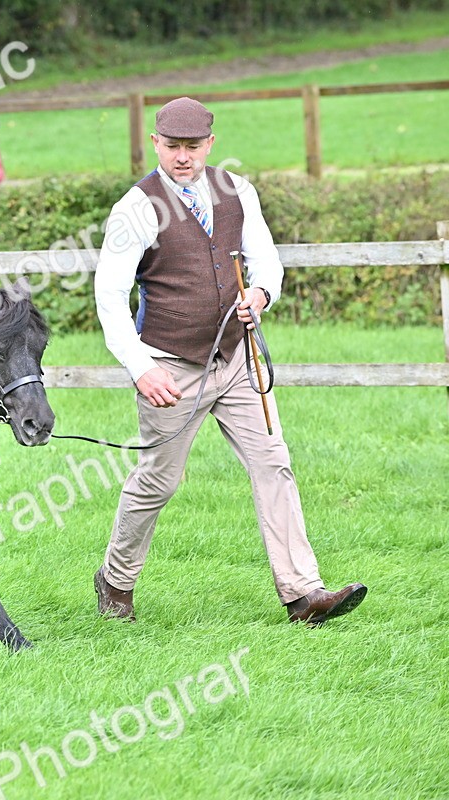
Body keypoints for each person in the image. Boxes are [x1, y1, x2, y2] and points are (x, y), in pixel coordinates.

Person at [92, 96, 367, 626]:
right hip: (169, 364)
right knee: (158, 481)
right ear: (155, 144)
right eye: (172, 147)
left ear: (210, 145)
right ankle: (116, 579)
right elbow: (110, 295)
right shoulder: (135, 208)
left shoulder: (237, 191)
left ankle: (304, 593)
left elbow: (267, 261)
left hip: (238, 358)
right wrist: (141, 368)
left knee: (273, 463)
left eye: (193, 148)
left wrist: (261, 294)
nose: (182, 158)